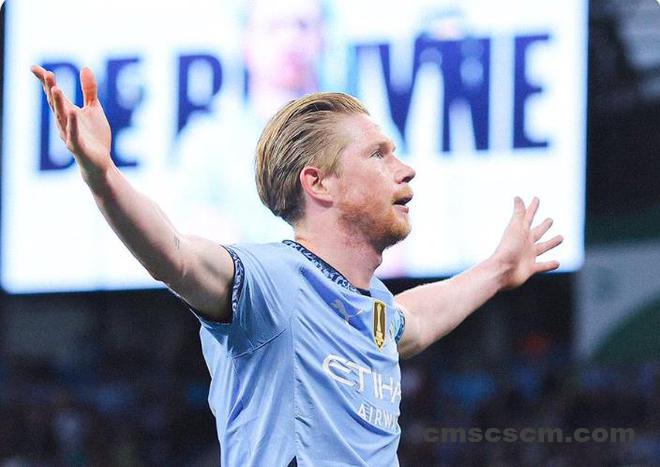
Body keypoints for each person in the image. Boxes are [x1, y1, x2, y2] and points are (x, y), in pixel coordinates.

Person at [32, 64, 562, 466]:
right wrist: (102, 176)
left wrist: (497, 269)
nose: (406, 170)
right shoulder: (272, 280)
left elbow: (414, 321)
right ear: (319, 183)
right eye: (378, 154)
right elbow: (174, 255)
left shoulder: (374, 307)